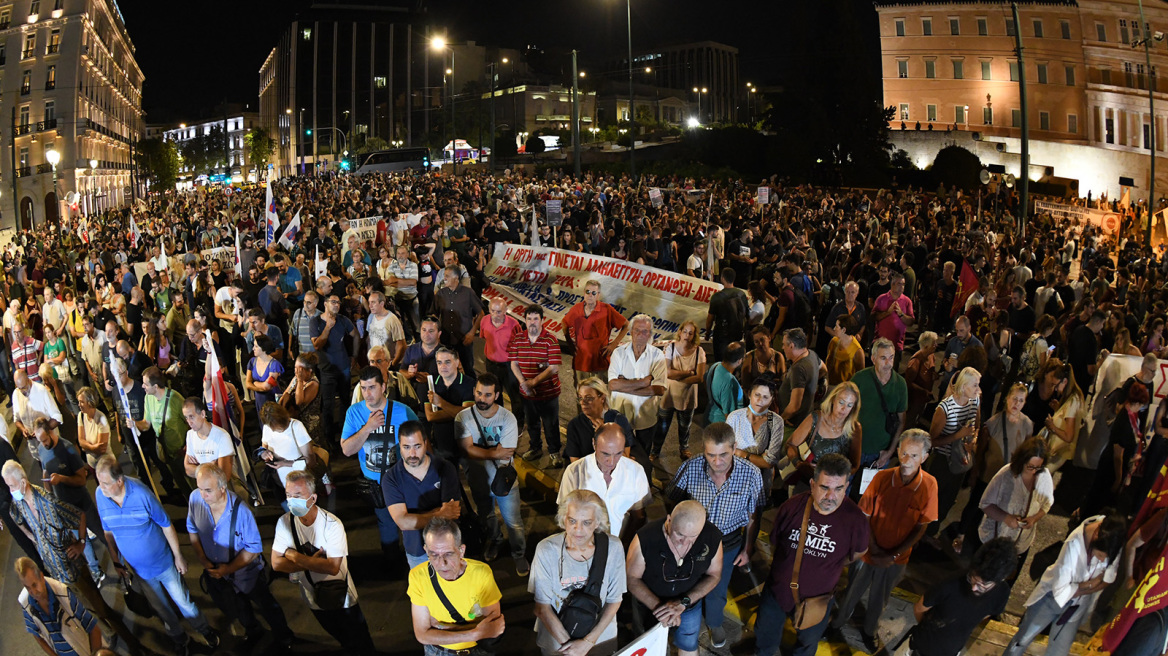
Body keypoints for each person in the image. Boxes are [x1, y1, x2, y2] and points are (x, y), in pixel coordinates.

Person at [93, 455, 219, 656]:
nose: (102, 488)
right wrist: (116, 561)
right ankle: (180, 639)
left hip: (163, 564)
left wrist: (178, 556)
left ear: (119, 481)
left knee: (184, 603)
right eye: (99, 482)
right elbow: (108, 532)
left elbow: (166, 524)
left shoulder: (141, 494)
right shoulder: (101, 494)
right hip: (140, 572)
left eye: (106, 483)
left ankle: (205, 630)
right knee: (163, 611)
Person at [829, 430, 937, 653]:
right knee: (852, 591)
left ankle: (869, 631)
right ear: (897, 450)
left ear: (925, 457)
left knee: (880, 598)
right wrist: (875, 549)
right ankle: (837, 623)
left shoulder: (930, 485)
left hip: (896, 560)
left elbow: (921, 526)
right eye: (904, 453)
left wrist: (892, 555)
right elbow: (864, 516)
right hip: (867, 551)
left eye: (914, 456)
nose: (907, 460)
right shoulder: (882, 478)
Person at [754, 454, 870, 656]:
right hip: (777, 594)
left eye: (839, 488)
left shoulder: (855, 520)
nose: (831, 496)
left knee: (806, 646)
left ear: (847, 486)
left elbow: (860, 552)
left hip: (817, 602)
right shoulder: (792, 507)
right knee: (765, 638)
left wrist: (833, 563)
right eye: (825, 487)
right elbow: (777, 544)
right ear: (812, 484)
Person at [665, 422, 766, 649]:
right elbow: (671, 496)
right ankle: (679, 619)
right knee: (684, 582)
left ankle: (714, 622)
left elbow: (753, 516)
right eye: (711, 455)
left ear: (734, 448)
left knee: (717, 589)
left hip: (727, 543)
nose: (717, 462)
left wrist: (748, 549)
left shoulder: (751, 474)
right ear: (703, 449)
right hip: (691, 542)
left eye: (724, 455)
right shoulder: (691, 467)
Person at [187, 463, 293, 649]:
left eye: (208, 490)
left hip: (246, 574)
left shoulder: (242, 512)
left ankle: (284, 636)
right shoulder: (195, 498)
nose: (203, 495)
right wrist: (203, 558)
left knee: (267, 605)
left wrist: (228, 569)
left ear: (222, 488)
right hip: (219, 573)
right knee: (239, 606)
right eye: (200, 488)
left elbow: (253, 548)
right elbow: (192, 528)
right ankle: (253, 630)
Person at [272, 470, 375, 655]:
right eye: (288, 495)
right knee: (339, 636)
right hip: (312, 596)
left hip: (342, 596)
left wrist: (295, 557)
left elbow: (333, 567)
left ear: (312, 498)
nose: (291, 500)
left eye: (298, 495)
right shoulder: (284, 522)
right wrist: (312, 562)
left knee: (360, 639)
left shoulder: (332, 524)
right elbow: (276, 564)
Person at [1002, 514, 1126, 656]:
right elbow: (1061, 590)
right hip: (1050, 599)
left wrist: (1083, 587)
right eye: (1100, 555)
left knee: (1059, 652)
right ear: (1096, 535)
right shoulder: (1074, 543)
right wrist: (1091, 584)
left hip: (1076, 607)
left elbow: (1107, 580)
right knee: (1022, 640)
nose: (1103, 560)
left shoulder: (1114, 539)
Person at [531, 490, 626, 656]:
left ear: (598, 522)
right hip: (557, 639)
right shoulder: (546, 549)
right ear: (564, 520)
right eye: (572, 520)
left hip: (599, 637)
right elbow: (542, 608)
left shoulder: (613, 547)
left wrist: (588, 643)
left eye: (587, 522)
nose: (578, 530)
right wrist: (571, 648)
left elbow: (614, 600)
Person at [625, 500, 724, 656]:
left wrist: (684, 603)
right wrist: (661, 609)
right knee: (648, 647)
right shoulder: (646, 538)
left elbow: (714, 575)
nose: (684, 542)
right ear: (669, 520)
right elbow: (632, 579)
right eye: (679, 534)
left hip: (689, 606)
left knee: (689, 644)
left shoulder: (711, 537)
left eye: (693, 537)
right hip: (648, 606)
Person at [341, 366, 419, 559]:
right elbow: (347, 449)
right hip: (376, 484)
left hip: (403, 479)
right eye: (363, 388)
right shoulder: (354, 413)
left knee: (411, 522)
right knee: (386, 525)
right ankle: (392, 561)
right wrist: (367, 428)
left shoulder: (403, 412)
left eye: (372, 387)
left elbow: (421, 443)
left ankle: (416, 558)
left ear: (384, 386)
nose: (367, 394)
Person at [457, 373, 529, 569]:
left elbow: (506, 453)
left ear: (497, 395)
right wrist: (493, 452)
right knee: (487, 516)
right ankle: (495, 541)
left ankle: (519, 553)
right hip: (478, 479)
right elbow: (466, 449)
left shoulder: (508, 418)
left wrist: (478, 451)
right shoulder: (463, 417)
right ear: (474, 391)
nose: (482, 399)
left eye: (488, 395)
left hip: (504, 479)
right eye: (479, 393)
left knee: (513, 522)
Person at [407, 517, 506, 656]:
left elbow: (493, 625)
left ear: (461, 550)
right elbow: (422, 635)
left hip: (477, 650)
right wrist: (474, 633)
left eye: (448, 554)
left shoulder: (481, 573)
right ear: (425, 550)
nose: (441, 563)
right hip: (438, 651)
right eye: (433, 554)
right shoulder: (417, 576)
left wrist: (444, 628)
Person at [909, 538, 1017, 656]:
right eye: (972, 578)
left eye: (982, 585)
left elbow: (986, 614)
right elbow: (919, 608)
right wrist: (928, 630)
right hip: (925, 647)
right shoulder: (949, 583)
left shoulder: (1003, 593)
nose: (974, 588)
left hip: (954, 648)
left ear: (1001, 579)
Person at [33, 418, 106, 584]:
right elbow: (46, 469)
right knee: (82, 542)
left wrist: (62, 479)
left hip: (82, 504)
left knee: (102, 534)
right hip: (67, 509)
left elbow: (81, 480)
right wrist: (48, 490)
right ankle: (96, 571)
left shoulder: (68, 449)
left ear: (51, 432)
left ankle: (121, 563)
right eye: (40, 441)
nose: (43, 444)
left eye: (45, 439)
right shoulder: (41, 449)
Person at [383, 421, 463, 570]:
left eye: (417, 446)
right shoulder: (391, 478)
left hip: (448, 548)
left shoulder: (445, 468)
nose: (412, 454)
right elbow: (402, 522)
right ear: (399, 446)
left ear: (425, 443)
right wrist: (440, 513)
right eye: (406, 447)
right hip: (417, 551)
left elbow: (452, 512)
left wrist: (415, 517)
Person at [559, 423, 652, 542]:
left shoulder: (636, 471)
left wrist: (622, 547)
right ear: (594, 444)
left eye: (618, 453)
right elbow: (565, 515)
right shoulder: (574, 472)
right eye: (605, 454)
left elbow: (639, 516)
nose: (611, 461)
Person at [977, 437, 1054, 578]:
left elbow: (1047, 503)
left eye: (1038, 467)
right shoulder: (1006, 474)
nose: (1034, 471)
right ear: (1022, 460)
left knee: (1006, 583)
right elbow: (985, 503)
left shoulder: (1044, 476)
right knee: (984, 578)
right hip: (995, 540)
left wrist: (1034, 518)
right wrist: (1006, 518)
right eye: (1030, 466)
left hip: (1019, 544)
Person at [926, 367, 981, 541]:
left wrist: (973, 440)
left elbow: (976, 427)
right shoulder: (945, 408)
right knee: (932, 500)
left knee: (947, 501)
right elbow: (931, 441)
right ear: (964, 386)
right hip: (942, 462)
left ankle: (930, 534)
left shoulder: (975, 402)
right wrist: (959, 435)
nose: (978, 389)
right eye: (975, 385)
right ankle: (919, 534)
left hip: (960, 461)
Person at [16, 556, 105, 656]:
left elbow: (93, 628)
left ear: (41, 576)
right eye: (27, 587)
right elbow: (37, 635)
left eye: (34, 585)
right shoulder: (26, 603)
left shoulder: (63, 593)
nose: (33, 592)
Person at [608, 314, 667, 463]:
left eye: (645, 331)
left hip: (646, 417)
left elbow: (659, 389)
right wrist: (643, 383)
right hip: (621, 415)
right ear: (631, 332)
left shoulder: (658, 355)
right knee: (619, 454)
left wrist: (625, 385)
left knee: (643, 456)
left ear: (650, 334)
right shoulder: (619, 353)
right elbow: (612, 384)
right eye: (637, 330)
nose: (641, 335)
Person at [510, 304, 564, 466]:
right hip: (527, 395)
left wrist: (532, 383)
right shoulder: (518, 338)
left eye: (535, 319)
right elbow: (514, 364)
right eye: (529, 319)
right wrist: (524, 384)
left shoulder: (550, 339)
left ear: (541, 321)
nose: (532, 322)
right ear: (524, 320)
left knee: (550, 424)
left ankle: (554, 452)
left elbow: (553, 367)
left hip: (548, 394)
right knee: (532, 422)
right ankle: (535, 448)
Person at [851, 338, 908, 479]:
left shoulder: (900, 384)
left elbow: (901, 422)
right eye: (883, 358)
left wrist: (890, 452)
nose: (888, 363)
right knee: (844, 487)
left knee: (871, 494)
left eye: (891, 357)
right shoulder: (859, 379)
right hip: (854, 447)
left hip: (880, 453)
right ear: (873, 358)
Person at [785, 382, 864, 483]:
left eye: (849, 405)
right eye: (841, 402)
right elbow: (790, 444)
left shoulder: (855, 428)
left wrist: (836, 478)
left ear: (853, 408)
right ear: (833, 400)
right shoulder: (816, 418)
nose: (844, 409)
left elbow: (854, 465)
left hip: (834, 485)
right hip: (807, 481)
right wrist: (798, 463)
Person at [656, 320, 707, 460]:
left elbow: (699, 377)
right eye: (685, 331)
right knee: (662, 425)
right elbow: (667, 373)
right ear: (680, 332)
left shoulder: (699, 351)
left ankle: (683, 448)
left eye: (690, 333)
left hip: (688, 396)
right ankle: (655, 451)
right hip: (669, 395)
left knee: (685, 426)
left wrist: (678, 377)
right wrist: (688, 373)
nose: (686, 335)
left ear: (694, 335)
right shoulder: (670, 347)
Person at [310, 293, 359, 440]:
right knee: (328, 404)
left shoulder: (343, 320)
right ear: (325, 304)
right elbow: (317, 345)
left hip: (344, 367)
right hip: (327, 369)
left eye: (338, 302)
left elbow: (356, 335)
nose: (336, 305)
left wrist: (354, 356)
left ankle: (345, 433)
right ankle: (329, 437)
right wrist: (328, 328)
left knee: (345, 401)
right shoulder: (316, 322)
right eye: (333, 302)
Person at [563, 280, 629, 385]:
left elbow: (626, 325)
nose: (590, 295)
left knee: (602, 395)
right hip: (581, 363)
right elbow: (564, 324)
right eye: (588, 292)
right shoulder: (576, 310)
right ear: (584, 293)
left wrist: (614, 344)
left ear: (598, 295)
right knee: (581, 395)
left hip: (601, 363)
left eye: (594, 293)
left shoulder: (606, 309)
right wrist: (570, 343)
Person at [727, 379, 785, 488]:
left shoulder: (776, 422)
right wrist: (759, 458)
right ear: (749, 395)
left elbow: (769, 462)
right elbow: (726, 451)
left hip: (760, 482)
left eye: (765, 397)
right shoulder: (734, 417)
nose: (759, 400)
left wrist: (741, 454)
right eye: (757, 395)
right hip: (735, 478)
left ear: (771, 399)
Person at [141, 367, 190, 496]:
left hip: (183, 453)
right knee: (182, 485)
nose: (142, 386)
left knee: (193, 484)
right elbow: (146, 424)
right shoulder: (148, 398)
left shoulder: (175, 399)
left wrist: (188, 446)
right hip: (167, 454)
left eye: (145, 384)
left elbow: (190, 422)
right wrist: (133, 424)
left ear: (155, 386)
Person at [478, 297, 525, 427]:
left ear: (505, 311)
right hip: (491, 364)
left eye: (499, 312)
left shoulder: (514, 324)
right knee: (495, 394)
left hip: (509, 365)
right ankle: (500, 421)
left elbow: (521, 345)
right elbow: (484, 337)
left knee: (515, 396)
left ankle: (518, 424)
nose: (495, 315)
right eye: (492, 311)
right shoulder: (484, 321)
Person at [424, 346, 476, 462]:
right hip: (442, 446)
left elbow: (468, 415)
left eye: (447, 362)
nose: (443, 367)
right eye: (439, 363)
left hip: (466, 445)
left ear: (457, 362)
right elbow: (431, 416)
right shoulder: (431, 384)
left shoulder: (469, 383)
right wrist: (458, 411)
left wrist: (441, 403)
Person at [565, 378, 635, 461]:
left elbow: (624, 459)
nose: (582, 402)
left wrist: (605, 437)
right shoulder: (574, 425)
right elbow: (575, 463)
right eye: (580, 398)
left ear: (602, 398)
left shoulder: (619, 420)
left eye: (589, 398)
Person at [776, 328, 824, 440]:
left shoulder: (799, 369)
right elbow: (824, 370)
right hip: (806, 415)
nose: (783, 348)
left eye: (784, 345)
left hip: (794, 424)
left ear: (791, 346)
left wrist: (780, 419)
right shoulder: (811, 354)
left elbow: (794, 407)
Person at [434, 265, 483, 372]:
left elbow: (481, 313)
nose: (444, 279)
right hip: (446, 339)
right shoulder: (440, 294)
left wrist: (472, 333)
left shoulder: (468, 293)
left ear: (456, 278)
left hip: (464, 339)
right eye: (444, 276)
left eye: (447, 276)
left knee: (468, 368)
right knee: (446, 368)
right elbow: (434, 315)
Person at [181, 395, 234, 480]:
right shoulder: (190, 435)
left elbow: (224, 477)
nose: (189, 422)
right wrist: (210, 466)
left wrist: (198, 467)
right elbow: (187, 470)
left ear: (202, 414)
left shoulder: (222, 436)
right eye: (186, 418)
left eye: (191, 417)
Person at [707, 268, 748, 361]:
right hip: (737, 333)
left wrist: (707, 333)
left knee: (721, 361)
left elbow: (710, 318)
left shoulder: (717, 297)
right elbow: (746, 316)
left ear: (722, 278)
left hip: (721, 335)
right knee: (735, 359)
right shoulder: (742, 294)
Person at [244, 333, 283, 417]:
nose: (253, 348)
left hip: (272, 400)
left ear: (263, 348)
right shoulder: (252, 362)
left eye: (256, 346)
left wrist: (255, 383)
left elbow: (267, 386)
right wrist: (260, 388)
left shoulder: (274, 364)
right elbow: (247, 384)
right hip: (259, 400)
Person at [705, 342, 745, 425]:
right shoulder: (730, 382)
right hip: (722, 424)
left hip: (712, 416)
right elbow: (729, 415)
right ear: (739, 361)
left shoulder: (716, 366)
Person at [825, 314, 865, 386]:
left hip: (846, 389)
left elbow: (860, 375)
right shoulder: (834, 341)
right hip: (831, 385)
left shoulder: (857, 350)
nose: (834, 329)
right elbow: (828, 362)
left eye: (837, 326)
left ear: (844, 330)